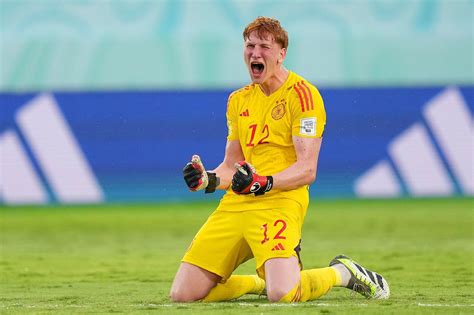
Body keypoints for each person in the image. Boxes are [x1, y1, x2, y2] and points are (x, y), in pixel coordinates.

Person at [170, 16, 389, 303]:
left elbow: (307, 169)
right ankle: (258, 282)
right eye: (250, 46)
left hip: (280, 200)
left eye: (264, 46)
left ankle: (341, 273)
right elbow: (231, 165)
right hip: (237, 205)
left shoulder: (303, 96)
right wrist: (206, 179)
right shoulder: (238, 100)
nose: (255, 53)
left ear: (281, 53)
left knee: (283, 294)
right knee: (183, 295)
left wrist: (264, 182)